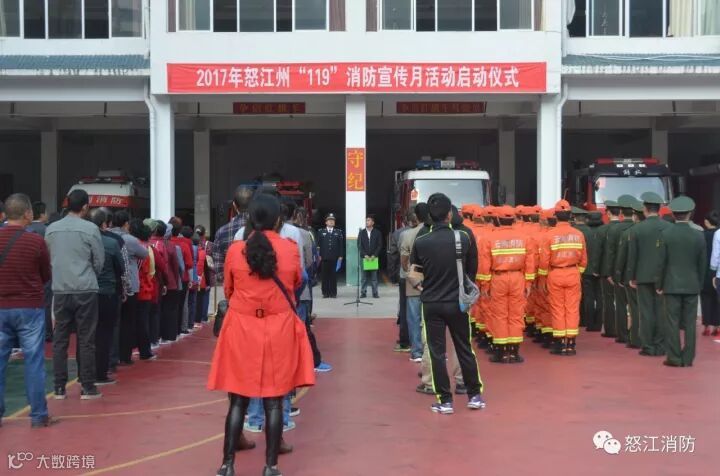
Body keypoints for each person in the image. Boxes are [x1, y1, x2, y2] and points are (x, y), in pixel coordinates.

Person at [208, 194, 315, 476]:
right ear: (279, 219)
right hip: (278, 327)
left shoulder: (235, 251)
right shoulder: (289, 248)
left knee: (238, 399)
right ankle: (270, 466)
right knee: (274, 399)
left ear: (249, 218)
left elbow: (229, 289)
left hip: (242, 327)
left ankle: (227, 464)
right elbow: (296, 282)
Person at [410, 193, 485, 414]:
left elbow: (414, 273)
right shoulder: (463, 237)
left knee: (436, 353)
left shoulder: (421, 242)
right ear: (450, 214)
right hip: (457, 303)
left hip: (431, 303)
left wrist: (422, 288)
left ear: (429, 216)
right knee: (464, 348)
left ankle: (445, 401)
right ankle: (474, 395)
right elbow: (472, 269)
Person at [0, 193, 56, 428]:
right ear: (27, 213)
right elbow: (46, 275)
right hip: (30, 308)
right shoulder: (35, 241)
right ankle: (38, 414)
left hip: (1, 307)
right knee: (33, 361)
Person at [45, 189, 105, 400]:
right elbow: (99, 261)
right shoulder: (90, 229)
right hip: (85, 288)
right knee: (86, 339)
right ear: (85, 207)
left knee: (60, 339)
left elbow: (48, 259)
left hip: (61, 289)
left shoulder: (51, 229)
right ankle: (87, 386)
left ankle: (59, 387)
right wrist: (88, 273)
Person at [477, 206, 536, 364]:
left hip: (498, 279)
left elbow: (484, 265)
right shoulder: (524, 238)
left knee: (499, 315)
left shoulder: (488, 238)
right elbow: (530, 262)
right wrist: (528, 283)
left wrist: (485, 285)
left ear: (497, 219)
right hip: (518, 278)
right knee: (517, 314)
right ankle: (514, 352)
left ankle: (501, 352)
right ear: (513, 219)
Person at [656, 197, 706, 367]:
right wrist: (699, 284)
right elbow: (702, 264)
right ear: (690, 213)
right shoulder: (698, 236)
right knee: (690, 323)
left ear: (673, 214)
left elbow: (661, 263)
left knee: (672, 322)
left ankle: (674, 357)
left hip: (671, 284)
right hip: (692, 285)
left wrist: (659, 284)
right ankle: (688, 357)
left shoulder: (665, 234)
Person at [538, 200, 587, 356]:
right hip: (573, 273)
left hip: (555, 274)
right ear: (570, 215)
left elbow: (544, 261)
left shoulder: (549, 235)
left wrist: (543, 279)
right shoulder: (578, 234)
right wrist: (577, 273)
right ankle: (571, 343)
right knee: (572, 308)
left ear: (556, 216)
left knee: (557, 308)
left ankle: (560, 343)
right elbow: (584, 260)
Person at [626, 192, 672, 357]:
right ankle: (661, 345)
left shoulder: (637, 229)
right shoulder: (668, 227)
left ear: (644, 209)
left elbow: (633, 256)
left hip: (643, 275)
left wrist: (631, 276)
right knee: (661, 311)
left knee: (645, 312)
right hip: (663, 276)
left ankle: (648, 346)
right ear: (659, 209)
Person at [87, 209, 125, 386]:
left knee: (86, 334)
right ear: (104, 224)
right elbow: (121, 267)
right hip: (107, 292)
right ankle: (102, 372)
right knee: (105, 333)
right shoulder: (112, 242)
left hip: (86, 291)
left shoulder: (84, 240)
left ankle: (85, 372)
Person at [111, 211, 149, 366]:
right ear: (126, 224)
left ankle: (112, 356)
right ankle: (125, 356)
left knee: (113, 323)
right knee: (128, 322)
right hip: (130, 285)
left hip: (112, 285)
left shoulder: (107, 236)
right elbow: (144, 254)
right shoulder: (130, 240)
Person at [606, 195, 637, 344]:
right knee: (635, 305)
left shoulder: (614, 229)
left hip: (619, 271)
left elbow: (611, 253)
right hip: (635, 272)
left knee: (620, 304)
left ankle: (622, 334)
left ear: (621, 213)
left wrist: (611, 273)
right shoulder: (636, 228)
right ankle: (635, 333)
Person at [615, 199, 644, 349]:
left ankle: (635, 338)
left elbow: (623, 257)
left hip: (632, 277)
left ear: (635, 216)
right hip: (652, 277)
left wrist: (619, 275)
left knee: (634, 308)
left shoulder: (629, 233)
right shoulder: (658, 231)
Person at [26, 201, 53, 341]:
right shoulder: (48, 230)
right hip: (45, 271)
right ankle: (47, 333)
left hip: (28, 273)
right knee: (46, 304)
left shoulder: (26, 229)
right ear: (42, 214)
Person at [594, 200, 621, 338]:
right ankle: (624, 329)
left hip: (606, 270)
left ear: (608, 213)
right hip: (623, 270)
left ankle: (610, 329)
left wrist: (596, 268)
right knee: (624, 301)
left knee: (608, 300)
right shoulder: (626, 228)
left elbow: (598, 252)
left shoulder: (602, 230)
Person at [400, 208, 423, 362]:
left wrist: (409, 273)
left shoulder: (407, 234)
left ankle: (417, 352)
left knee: (414, 317)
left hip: (414, 280)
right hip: (435, 281)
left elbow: (403, 260)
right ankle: (434, 350)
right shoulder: (439, 233)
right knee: (432, 318)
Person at [572, 207, 597, 331]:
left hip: (574, 269)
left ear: (575, 218)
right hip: (589, 268)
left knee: (576, 296)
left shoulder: (573, 232)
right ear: (586, 219)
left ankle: (578, 320)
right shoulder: (592, 232)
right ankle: (589, 321)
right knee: (589, 296)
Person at [701, 211, 720, 336]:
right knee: (717, 299)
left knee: (705, 298)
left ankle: (707, 325)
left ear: (706, 222)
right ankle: (717, 326)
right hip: (717, 271)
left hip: (705, 270)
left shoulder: (702, 235)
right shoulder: (718, 234)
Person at [317, 213, 344, 298]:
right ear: (326, 222)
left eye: (333, 220)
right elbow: (318, 245)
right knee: (324, 276)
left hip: (334, 258)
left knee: (333, 276)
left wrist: (341, 256)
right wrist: (318, 255)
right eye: (329, 220)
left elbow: (341, 245)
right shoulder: (321, 232)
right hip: (324, 257)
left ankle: (333, 293)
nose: (331, 222)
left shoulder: (338, 232)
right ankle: (325, 293)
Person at [359, 215, 383, 299]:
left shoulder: (377, 232)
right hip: (364, 258)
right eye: (366, 220)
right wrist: (364, 255)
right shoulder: (361, 232)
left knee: (374, 277)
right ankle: (363, 292)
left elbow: (379, 245)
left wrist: (374, 255)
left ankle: (375, 293)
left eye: (368, 220)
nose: (367, 222)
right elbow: (359, 245)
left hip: (373, 258)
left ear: (373, 222)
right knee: (364, 277)